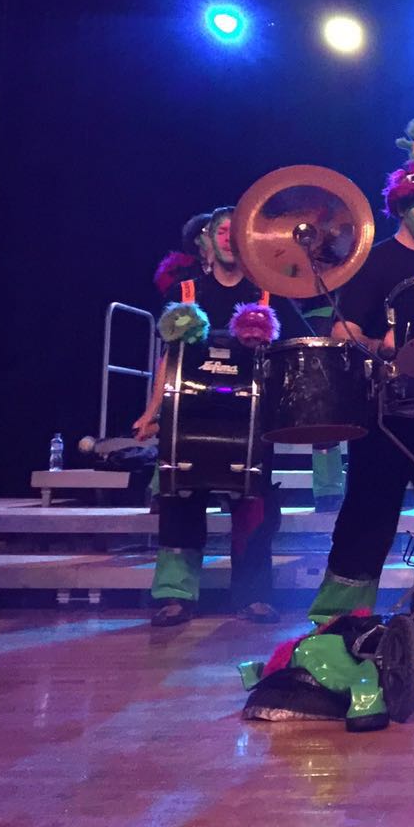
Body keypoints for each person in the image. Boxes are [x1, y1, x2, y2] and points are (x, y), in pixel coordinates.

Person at [301, 120, 414, 643]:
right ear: (402, 206)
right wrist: (385, 346)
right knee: (367, 515)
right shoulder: (373, 262)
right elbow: (342, 330)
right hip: (385, 411)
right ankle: (338, 626)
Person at [133, 207, 303, 626]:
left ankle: (253, 595)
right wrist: (152, 412)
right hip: (189, 417)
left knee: (254, 509)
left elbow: (297, 357)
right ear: (207, 239)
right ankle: (175, 596)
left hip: (250, 422)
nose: (228, 238)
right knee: (180, 504)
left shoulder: (268, 294)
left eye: (235, 231)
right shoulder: (186, 292)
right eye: (221, 231)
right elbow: (168, 359)